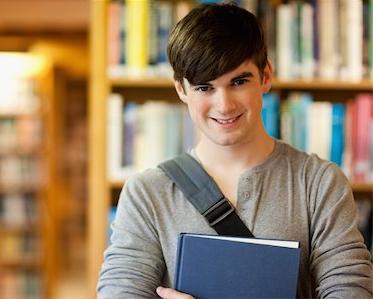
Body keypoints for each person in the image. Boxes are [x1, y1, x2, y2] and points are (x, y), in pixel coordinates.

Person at [97, 2, 373, 298]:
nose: (224, 105)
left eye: (238, 82)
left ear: (265, 76)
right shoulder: (147, 194)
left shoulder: (320, 183)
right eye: (205, 88)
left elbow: (351, 290)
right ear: (181, 89)